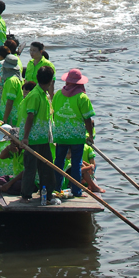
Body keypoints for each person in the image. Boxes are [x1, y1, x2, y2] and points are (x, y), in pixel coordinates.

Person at [19, 65, 60, 205]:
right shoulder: (35, 95)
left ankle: (48, 194)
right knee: (30, 167)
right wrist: (25, 137)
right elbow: (30, 117)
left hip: (43, 138)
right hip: (32, 139)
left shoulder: (44, 94)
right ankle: (25, 195)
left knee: (47, 167)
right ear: (49, 81)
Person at [53, 69, 95, 197]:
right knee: (76, 162)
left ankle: (56, 188)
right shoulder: (82, 97)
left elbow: (54, 113)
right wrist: (90, 135)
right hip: (76, 136)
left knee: (59, 161)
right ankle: (76, 191)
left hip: (61, 134)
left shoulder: (58, 94)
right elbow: (87, 119)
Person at [0, 55, 23, 124]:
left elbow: (10, 101)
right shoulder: (15, 79)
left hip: (11, 117)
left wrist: (5, 118)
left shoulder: (11, 81)